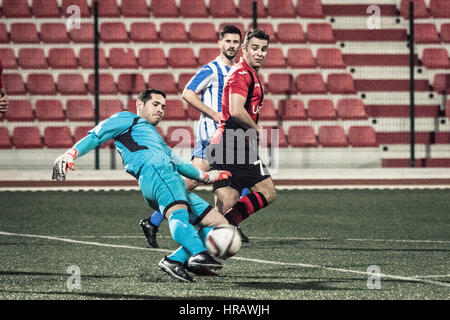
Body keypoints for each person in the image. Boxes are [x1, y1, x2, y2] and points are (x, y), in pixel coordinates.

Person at [52, 89, 232, 283]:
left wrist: (206, 176)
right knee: (178, 214)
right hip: (156, 174)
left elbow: (179, 163)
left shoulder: (154, 136)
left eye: (163, 107)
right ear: (140, 105)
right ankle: (198, 253)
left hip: (170, 179)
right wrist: (71, 153)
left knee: (219, 223)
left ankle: (174, 260)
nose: (161, 110)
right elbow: (96, 135)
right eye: (155, 104)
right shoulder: (127, 119)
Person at [139, 25, 249, 248]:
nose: (231, 46)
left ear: (241, 45)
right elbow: (187, 93)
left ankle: (224, 224)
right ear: (220, 43)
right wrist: (215, 114)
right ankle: (220, 226)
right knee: (191, 184)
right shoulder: (212, 69)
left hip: (232, 139)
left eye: (236, 42)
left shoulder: (240, 70)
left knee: (226, 181)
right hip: (213, 139)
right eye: (227, 41)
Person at [206, 29, 277, 230]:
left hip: (226, 142)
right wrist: (255, 127)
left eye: (263, 49)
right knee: (267, 191)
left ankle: (209, 238)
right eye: (254, 48)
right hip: (232, 141)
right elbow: (236, 110)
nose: (259, 53)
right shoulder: (242, 74)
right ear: (244, 49)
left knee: (228, 200)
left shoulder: (248, 73)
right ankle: (223, 230)